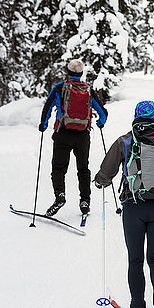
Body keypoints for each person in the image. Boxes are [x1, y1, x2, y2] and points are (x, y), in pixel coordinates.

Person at [94, 100, 154, 308]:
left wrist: (100, 182)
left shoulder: (125, 141)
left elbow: (107, 173)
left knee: (135, 259)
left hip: (134, 206)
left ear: (136, 117)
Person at [39, 59, 108, 216]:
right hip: (83, 135)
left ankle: (60, 196)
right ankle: (85, 202)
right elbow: (103, 112)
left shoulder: (59, 88)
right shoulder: (88, 90)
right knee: (83, 169)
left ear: (68, 72)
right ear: (81, 73)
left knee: (58, 168)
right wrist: (101, 123)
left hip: (63, 132)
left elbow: (47, 108)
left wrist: (43, 125)